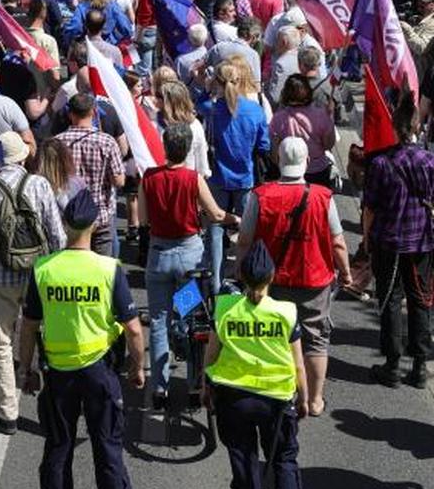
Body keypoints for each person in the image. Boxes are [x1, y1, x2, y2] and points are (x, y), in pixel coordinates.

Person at [17, 188, 145, 489]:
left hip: (58, 373)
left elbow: (28, 326)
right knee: (108, 452)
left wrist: (25, 369)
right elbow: (132, 329)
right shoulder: (107, 268)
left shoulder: (44, 268)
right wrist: (137, 366)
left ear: (64, 224)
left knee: (58, 451)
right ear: (95, 227)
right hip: (100, 371)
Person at [237, 137, 352, 417]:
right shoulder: (323, 197)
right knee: (315, 339)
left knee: (274, 336)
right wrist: (346, 273)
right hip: (313, 279)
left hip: (271, 281)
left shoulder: (260, 195)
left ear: (278, 160)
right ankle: (314, 400)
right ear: (307, 162)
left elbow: (244, 240)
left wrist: (241, 273)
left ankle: (279, 390)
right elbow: (338, 243)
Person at [202, 239, 308, 489]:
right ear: (272, 277)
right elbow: (298, 363)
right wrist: (305, 399)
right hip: (277, 401)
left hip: (233, 400)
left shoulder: (224, 308)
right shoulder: (286, 312)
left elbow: (211, 355)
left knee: (245, 464)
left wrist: (205, 386)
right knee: (284, 463)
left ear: (241, 277)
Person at [139, 123, 240, 409]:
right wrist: (234, 219)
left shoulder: (149, 178)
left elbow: (144, 220)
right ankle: (195, 380)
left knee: (158, 321)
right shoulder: (192, 178)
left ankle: (159, 387)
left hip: (159, 256)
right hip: (189, 259)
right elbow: (216, 213)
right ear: (187, 149)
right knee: (191, 315)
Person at [0, 131, 65, 434]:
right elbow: (57, 236)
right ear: (23, 156)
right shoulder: (39, 185)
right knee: (45, 334)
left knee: (1, 343)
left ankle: (8, 413)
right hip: (38, 272)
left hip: (1, 276)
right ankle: (44, 392)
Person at [363, 88, 434, 388]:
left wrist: (366, 240)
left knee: (390, 299)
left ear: (395, 127)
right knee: (420, 301)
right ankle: (420, 366)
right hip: (420, 241)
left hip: (388, 240)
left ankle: (392, 363)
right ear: (417, 126)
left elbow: (370, 208)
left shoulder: (381, 163)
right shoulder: (429, 162)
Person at [204, 60, 270, 291]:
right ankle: (247, 283)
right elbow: (264, 145)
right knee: (248, 234)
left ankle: (214, 286)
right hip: (245, 178)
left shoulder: (211, 111)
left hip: (217, 179)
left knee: (214, 232)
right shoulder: (255, 110)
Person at [54, 93, 125, 255]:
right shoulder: (106, 142)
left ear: (70, 114)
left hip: (69, 216)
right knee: (101, 271)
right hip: (100, 216)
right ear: (93, 112)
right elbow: (119, 180)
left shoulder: (57, 143)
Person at [270, 74, 335, 185]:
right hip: (318, 170)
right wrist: (330, 117)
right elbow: (328, 145)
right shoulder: (322, 115)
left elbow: (275, 155)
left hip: (288, 172)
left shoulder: (278, 118)